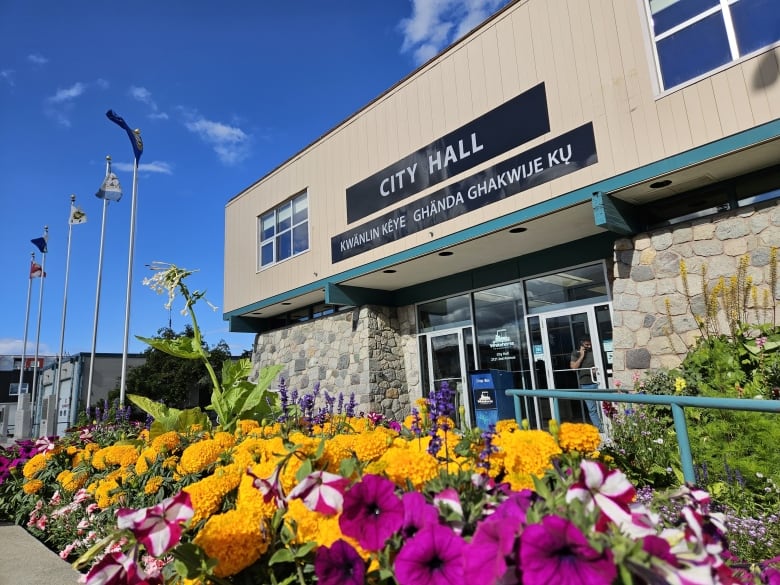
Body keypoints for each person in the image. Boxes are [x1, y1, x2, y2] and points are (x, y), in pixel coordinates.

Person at [569, 337, 603, 432]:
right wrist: (582, 356)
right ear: (581, 344)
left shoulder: (595, 351)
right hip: (586, 384)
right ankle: (600, 430)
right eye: (587, 345)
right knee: (592, 409)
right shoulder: (576, 353)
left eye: (590, 344)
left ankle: (610, 428)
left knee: (603, 407)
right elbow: (573, 368)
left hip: (599, 382)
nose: (589, 346)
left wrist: (597, 371)